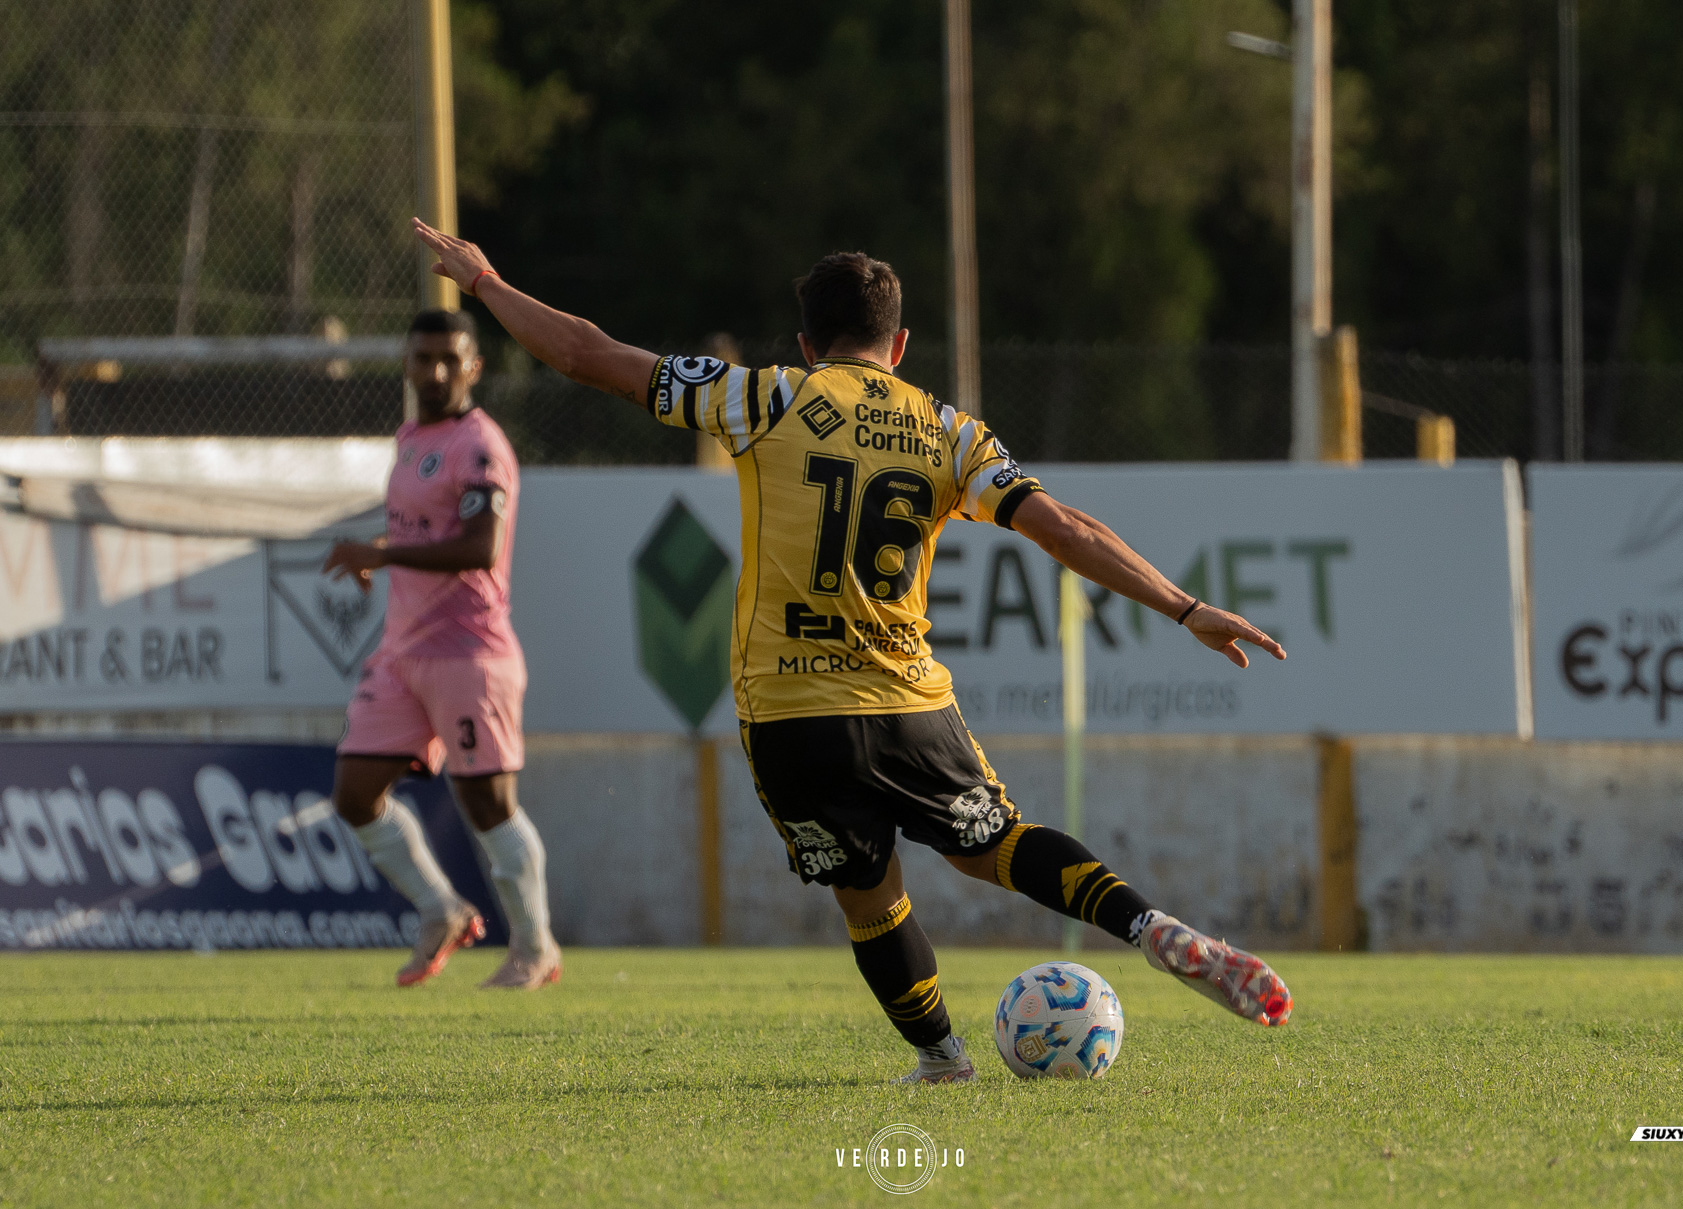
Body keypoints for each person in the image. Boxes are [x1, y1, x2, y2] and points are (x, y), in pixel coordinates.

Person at [412, 220, 1291, 1077]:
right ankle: (1145, 928)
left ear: (806, 341)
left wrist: (485, 282)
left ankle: (942, 1056)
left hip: (792, 714)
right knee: (1000, 842)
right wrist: (1185, 607)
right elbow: (1062, 528)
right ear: (899, 343)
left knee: (869, 899)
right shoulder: (951, 431)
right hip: (910, 702)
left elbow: (586, 353)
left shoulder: (762, 396)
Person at [323, 309, 559, 991]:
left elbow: (480, 546)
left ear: (472, 367)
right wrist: (383, 556)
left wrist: (383, 552)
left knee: (487, 803)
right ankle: (441, 910)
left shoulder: (480, 445)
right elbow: (421, 526)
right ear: (406, 362)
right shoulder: (410, 437)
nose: (433, 372)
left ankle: (535, 947)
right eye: (422, 357)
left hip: (468, 651)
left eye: (448, 359)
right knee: (356, 791)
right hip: (402, 652)